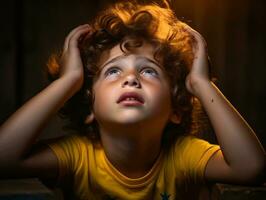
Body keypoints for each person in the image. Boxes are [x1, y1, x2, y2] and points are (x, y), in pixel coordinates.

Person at [0, 0, 265, 199]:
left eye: (148, 70)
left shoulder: (184, 156)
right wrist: (68, 82)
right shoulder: (77, 157)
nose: (131, 79)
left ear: (176, 109)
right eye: (113, 70)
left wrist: (201, 84)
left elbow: (251, 168)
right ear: (89, 106)